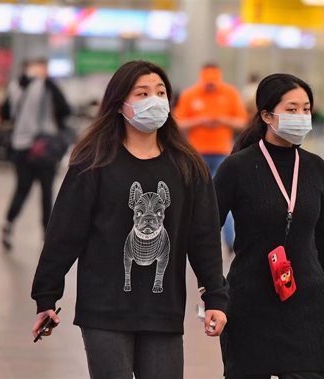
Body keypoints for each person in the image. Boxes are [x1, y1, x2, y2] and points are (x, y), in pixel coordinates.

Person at [30, 60, 228, 379]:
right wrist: (46, 296)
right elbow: (64, 234)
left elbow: (203, 238)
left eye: (161, 92)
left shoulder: (188, 167)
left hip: (163, 310)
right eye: (143, 93)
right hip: (104, 309)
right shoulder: (92, 163)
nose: (154, 99)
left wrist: (216, 297)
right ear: (119, 105)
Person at [212, 73, 324, 378]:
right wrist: (213, 289)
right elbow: (204, 229)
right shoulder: (238, 167)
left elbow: (323, 231)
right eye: (292, 109)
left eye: (306, 109)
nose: (301, 116)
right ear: (267, 115)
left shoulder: (314, 167)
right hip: (249, 301)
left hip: (306, 301)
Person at [173, 63, 248, 251]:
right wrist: (200, 121)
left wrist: (223, 121)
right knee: (193, 198)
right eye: (208, 83)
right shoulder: (190, 95)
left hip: (223, 153)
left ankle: (231, 241)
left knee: (225, 199)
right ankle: (192, 240)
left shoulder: (230, 94)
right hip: (196, 154)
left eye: (213, 83)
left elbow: (242, 122)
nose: (210, 87)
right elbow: (177, 123)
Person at [0, 58, 71, 251]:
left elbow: (5, 113)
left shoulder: (14, 85)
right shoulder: (47, 85)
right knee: (46, 192)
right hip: (43, 147)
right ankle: (46, 236)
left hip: (20, 148)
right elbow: (65, 111)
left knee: (22, 190)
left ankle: (8, 224)